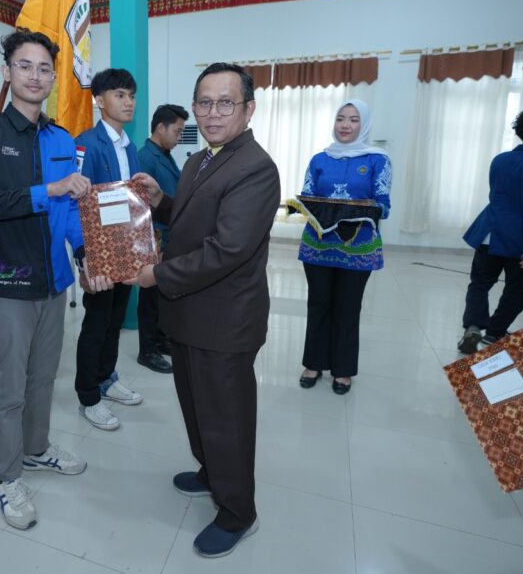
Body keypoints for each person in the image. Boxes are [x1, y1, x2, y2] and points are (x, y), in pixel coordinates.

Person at [129, 62, 280, 558]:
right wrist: (161, 202)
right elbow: (194, 218)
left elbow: (227, 249)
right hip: (190, 314)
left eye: (225, 103)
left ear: (248, 109)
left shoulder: (255, 167)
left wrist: (157, 275)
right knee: (196, 406)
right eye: (204, 103)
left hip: (224, 321)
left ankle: (237, 511)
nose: (213, 113)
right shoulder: (200, 159)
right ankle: (211, 472)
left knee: (225, 419)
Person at [0, 29, 104, 530]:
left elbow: (70, 210)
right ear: (7, 72)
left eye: (45, 68)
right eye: (25, 66)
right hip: (9, 281)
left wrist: (84, 255)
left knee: (44, 377)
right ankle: (6, 478)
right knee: (12, 386)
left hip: (55, 281)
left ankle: (37, 448)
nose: (35, 76)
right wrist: (49, 189)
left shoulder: (62, 138)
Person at [297, 99, 392, 395]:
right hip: (318, 246)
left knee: (348, 308)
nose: (345, 125)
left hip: (358, 249)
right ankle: (313, 363)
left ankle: (343, 369)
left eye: (353, 119)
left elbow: (384, 205)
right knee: (318, 304)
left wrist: (353, 210)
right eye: (340, 118)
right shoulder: (319, 159)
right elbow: (308, 195)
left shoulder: (378, 160)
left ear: (364, 124)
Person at [73, 68, 145, 430]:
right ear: (100, 101)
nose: (128, 102)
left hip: (125, 248)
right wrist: (84, 255)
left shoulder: (129, 146)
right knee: (97, 322)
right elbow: (76, 203)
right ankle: (88, 396)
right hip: (99, 249)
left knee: (116, 318)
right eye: (120, 95)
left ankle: (106, 378)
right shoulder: (86, 144)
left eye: (131, 95)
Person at [458, 106, 523, 354]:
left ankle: (473, 326)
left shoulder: (501, 159)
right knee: (516, 290)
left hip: (490, 233)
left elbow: (503, 193)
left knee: (479, 284)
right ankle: (494, 332)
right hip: (522, 240)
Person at [135, 103, 187, 374]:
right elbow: (141, 204)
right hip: (154, 236)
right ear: (160, 128)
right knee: (149, 297)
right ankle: (147, 350)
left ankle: (160, 339)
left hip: (169, 233)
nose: (180, 137)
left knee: (161, 294)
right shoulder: (146, 157)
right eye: (177, 131)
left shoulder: (165, 155)